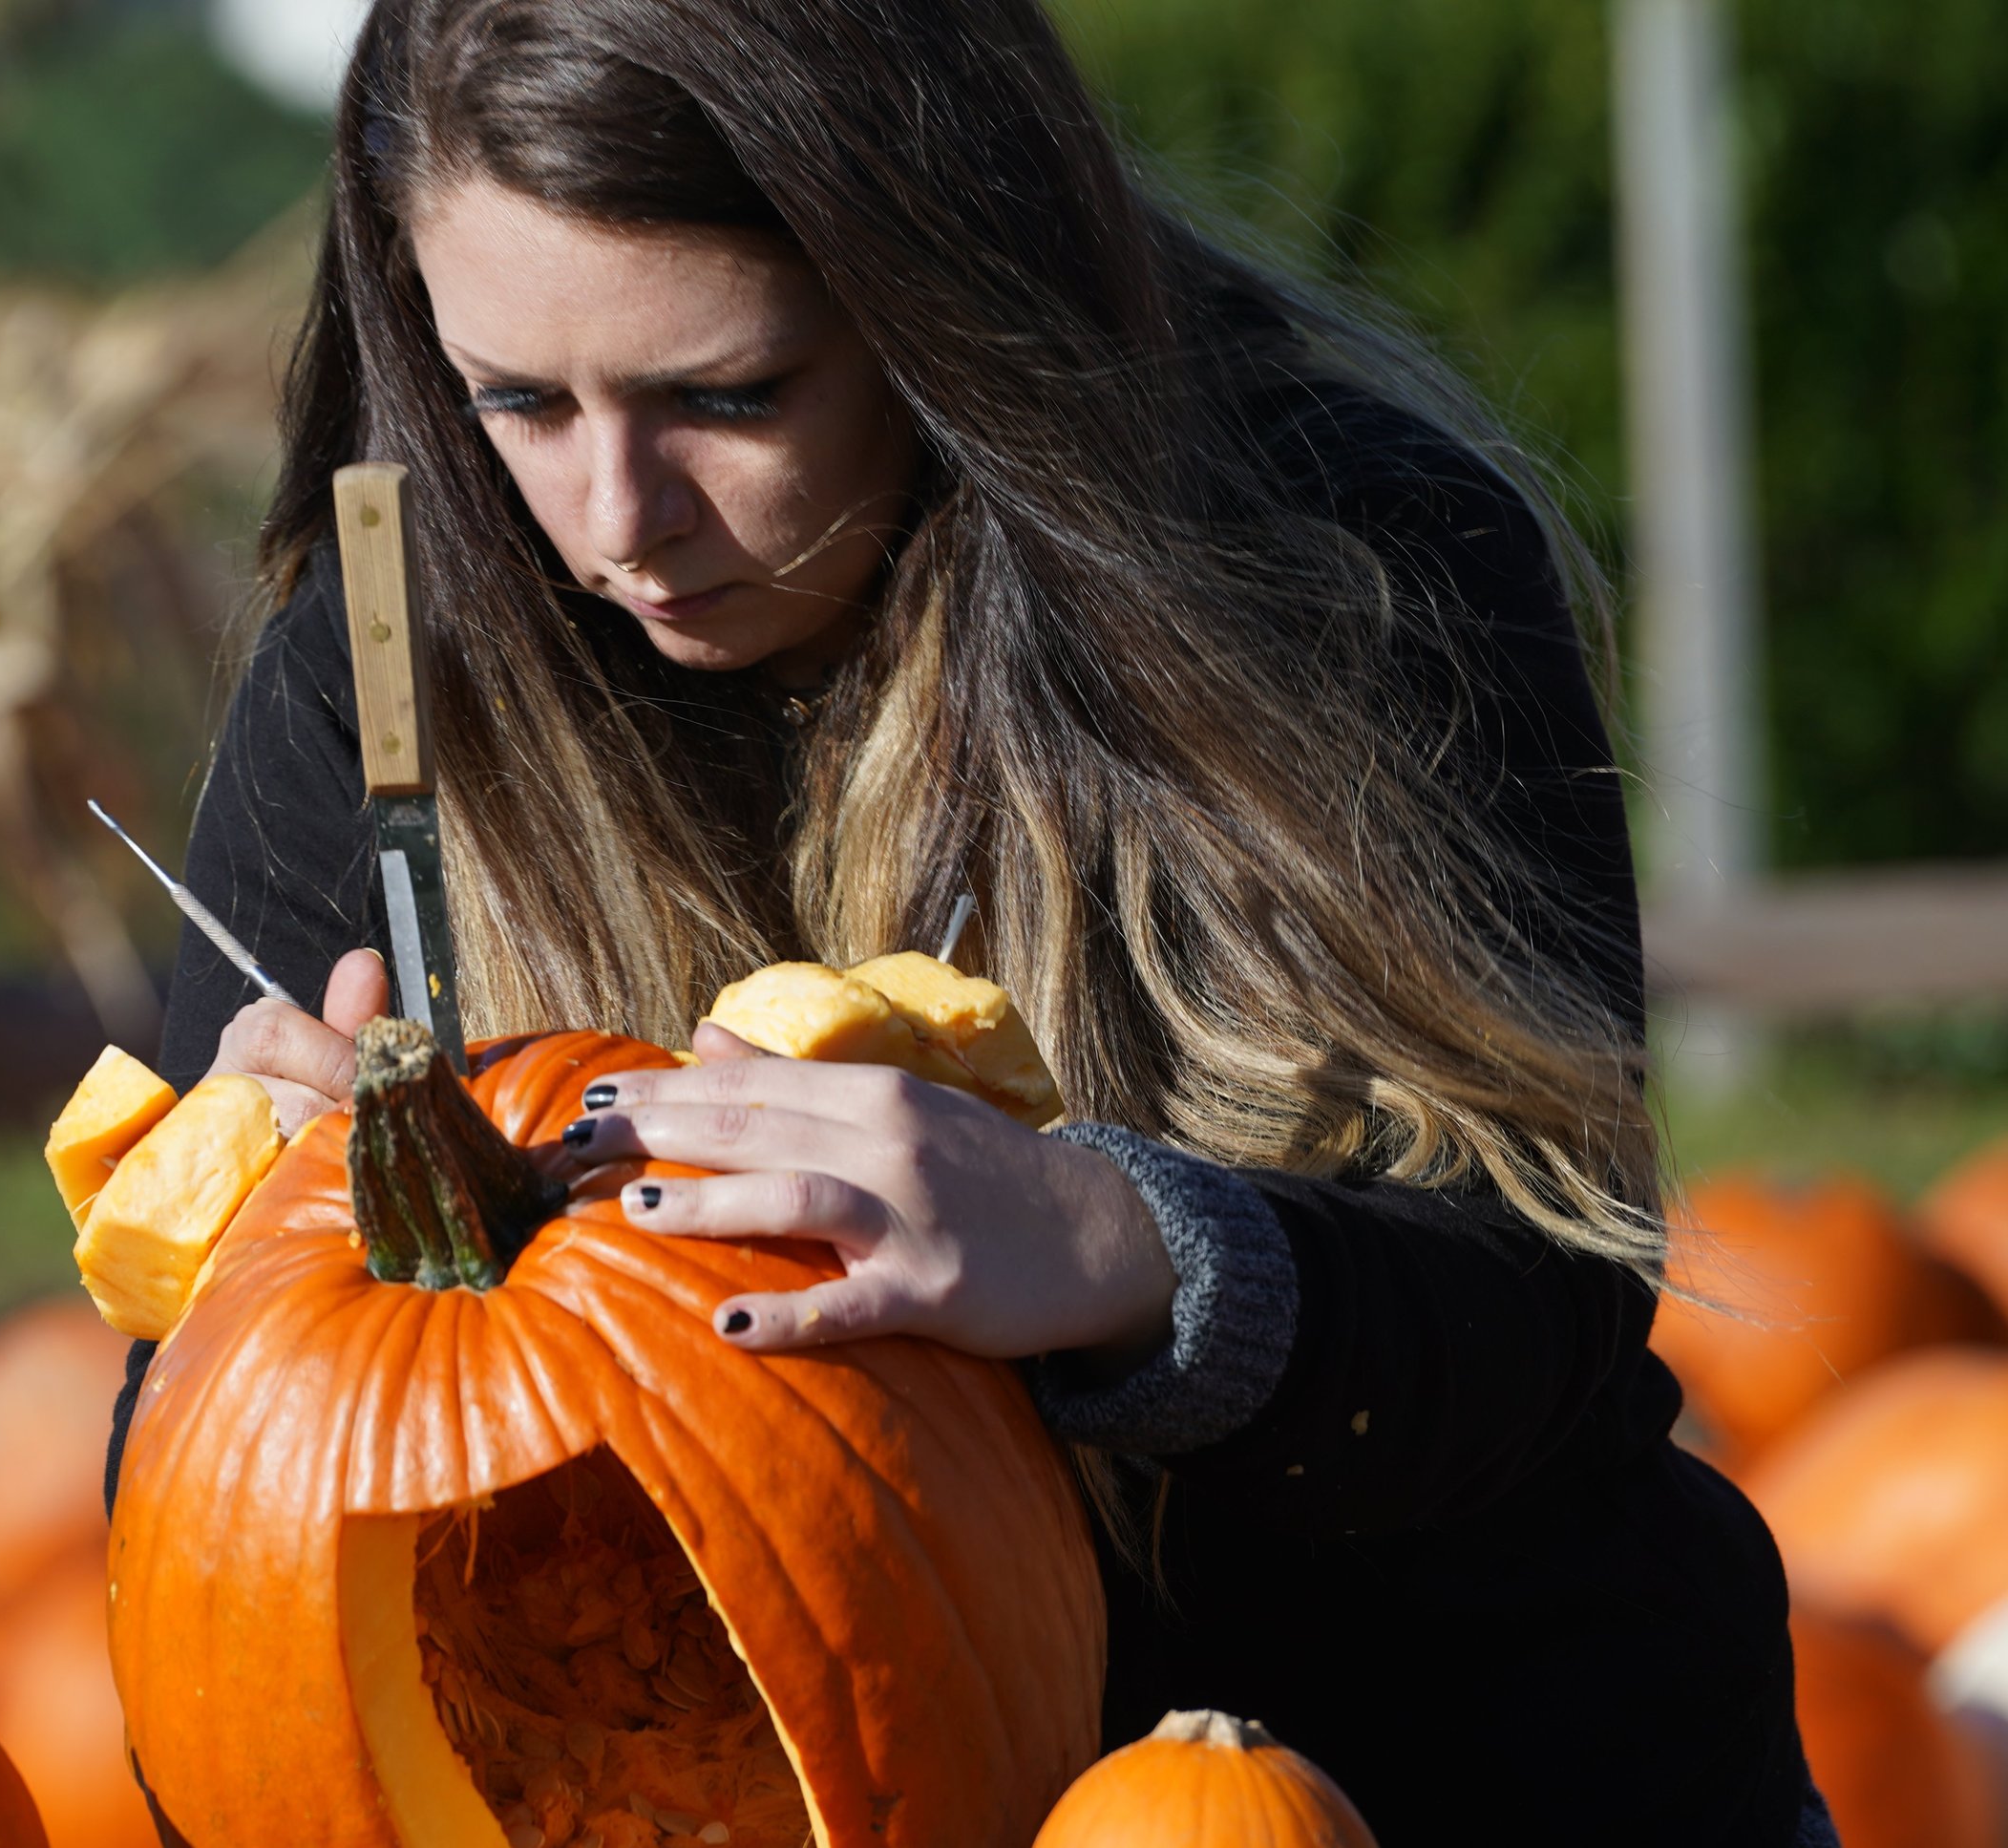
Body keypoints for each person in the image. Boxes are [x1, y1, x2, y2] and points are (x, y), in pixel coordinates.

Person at [104, 1, 1824, 1841]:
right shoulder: (375, 692)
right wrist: (264, 1282)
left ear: (942, 310)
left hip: (1442, 1774)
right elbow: (203, 1554)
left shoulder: (1351, 569)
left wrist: (1127, 1249)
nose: (617, 519)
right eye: (517, 402)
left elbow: (1544, 1302)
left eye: (727, 397)